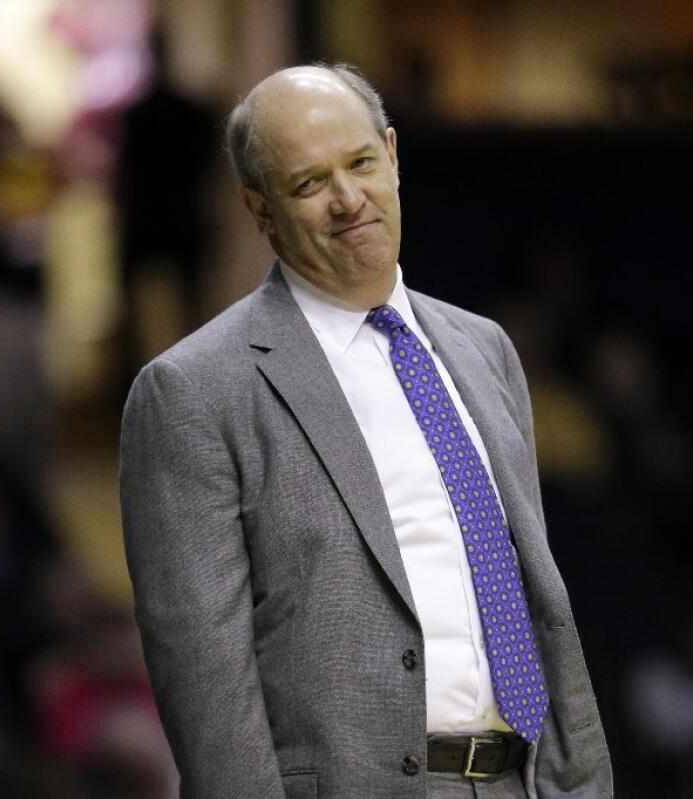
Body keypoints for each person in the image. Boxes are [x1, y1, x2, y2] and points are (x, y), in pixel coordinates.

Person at [119, 63, 613, 798]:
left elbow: (534, 601)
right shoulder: (192, 392)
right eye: (311, 184)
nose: (350, 200)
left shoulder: (485, 350)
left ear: (393, 154)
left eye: (360, 164)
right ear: (260, 209)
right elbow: (207, 685)